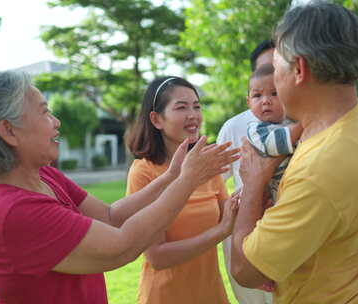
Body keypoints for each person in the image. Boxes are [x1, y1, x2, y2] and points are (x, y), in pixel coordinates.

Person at [0, 70, 239, 304]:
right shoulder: (15, 211)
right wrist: (187, 181)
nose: (56, 122)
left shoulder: (42, 176)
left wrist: (173, 175)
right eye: (45, 112)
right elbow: (121, 247)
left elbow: (111, 216)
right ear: (9, 131)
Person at [231, 2, 358, 303]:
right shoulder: (355, 122)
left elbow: (246, 270)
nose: (273, 79)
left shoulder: (322, 166)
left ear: (299, 69)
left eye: (275, 67)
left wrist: (254, 184)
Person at [127, 76, 241, 304]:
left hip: (212, 296)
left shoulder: (204, 164)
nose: (193, 115)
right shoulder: (144, 172)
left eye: (197, 106)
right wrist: (219, 232)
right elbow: (157, 256)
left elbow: (232, 220)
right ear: (156, 119)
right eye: (181, 107)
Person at [216, 39, 275, 304]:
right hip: (245, 231)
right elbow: (215, 182)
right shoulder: (234, 127)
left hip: (288, 227)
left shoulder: (302, 123)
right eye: (266, 68)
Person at [245, 63, 303, 203]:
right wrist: (304, 123)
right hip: (275, 196)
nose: (265, 101)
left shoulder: (292, 121)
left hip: (300, 184)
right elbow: (273, 144)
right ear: (248, 103)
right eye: (257, 95)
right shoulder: (256, 130)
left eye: (274, 93)